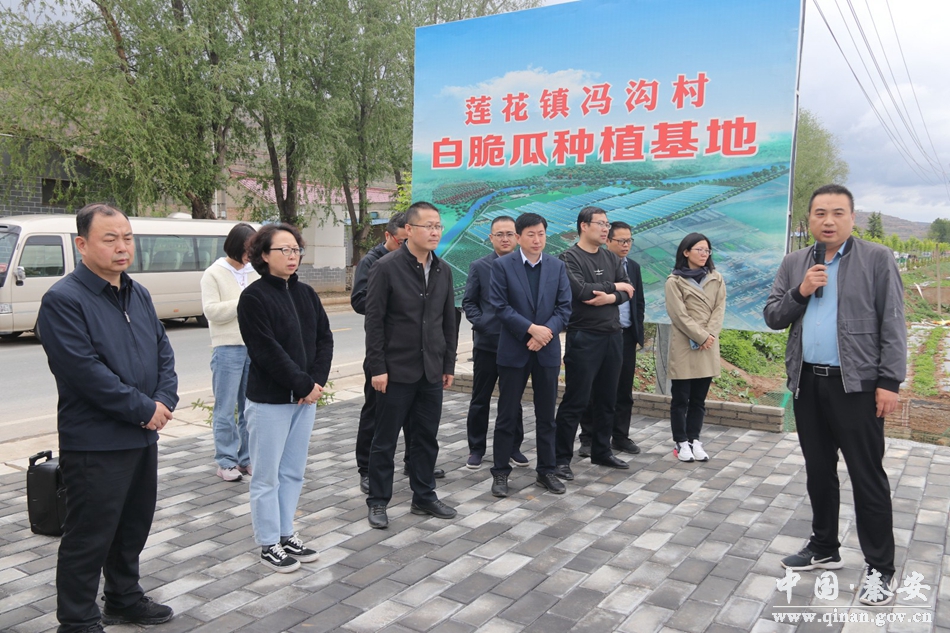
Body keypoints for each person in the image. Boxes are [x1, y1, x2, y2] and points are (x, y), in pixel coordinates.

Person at [37, 203, 178, 633]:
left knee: (132, 527)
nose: (122, 247)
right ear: (82, 245)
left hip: (142, 437)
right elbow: (84, 373)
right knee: (89, 535)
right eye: (110, 239)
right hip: (95, 442)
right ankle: (77, 621)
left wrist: (163, 399)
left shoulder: (138, 292)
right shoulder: (64, 300)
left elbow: (163, 352)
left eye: (128, 238)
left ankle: (123, 598)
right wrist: (144, 409)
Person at [763, 184, 905, 606]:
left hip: (857, 386)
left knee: (867, 475)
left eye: (838, 213)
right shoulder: (795, 263)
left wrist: (889, 381)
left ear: (852, 218)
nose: (828, 221)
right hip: (808, 383)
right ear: (809, 219)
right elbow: (773, 315)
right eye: (820, 213)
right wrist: (801, 291)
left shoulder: (876, 258)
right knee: (818, 470)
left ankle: (880, 568)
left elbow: (893, 321)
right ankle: (824, 546)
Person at [237, 223, 333, 572]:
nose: (293, 256)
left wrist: (315, 382)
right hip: (270, 402)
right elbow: (266, 351)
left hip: (304, 400)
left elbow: (324, 339)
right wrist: (302, 384)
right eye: (284, 250)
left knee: (293, 472)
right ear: (264, 255)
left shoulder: (306, 293)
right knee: (266, 476)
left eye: (296, 250)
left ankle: (286, 532)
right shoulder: (254, 297)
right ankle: (268, 542)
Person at [364, 201, 458, 529]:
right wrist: (378, 367)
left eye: (438, 226)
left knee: (426, 438)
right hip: (394, 371)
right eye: (428, 226)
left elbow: (448, 322)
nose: (435, 232)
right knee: (385, 440)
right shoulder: (386, 267)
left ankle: (424, 496)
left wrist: (448, 364)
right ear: (409, 230)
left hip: (431, 370)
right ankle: (378, 501)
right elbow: (374, 322)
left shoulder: (443, 270)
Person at [351, 213, 443, 494]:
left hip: (421, 360)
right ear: (392, 236)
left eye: (437, 227)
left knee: (420, 422)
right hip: (387, 357)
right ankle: (367, 470)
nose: (404, 245)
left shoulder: (437, 267)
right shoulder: (377, 264)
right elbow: (364, 306)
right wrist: (395, 300)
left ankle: (415, 466)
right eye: (401, 241)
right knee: (377, 419)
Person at [487, 213, 572, 497]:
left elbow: (564, 308)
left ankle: (546, 471)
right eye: (531, 234)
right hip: (514, 350)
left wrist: (545, 333)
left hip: (547, 351)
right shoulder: (502, 266)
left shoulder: (557, 266)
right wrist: (531, 330)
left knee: (547, 416)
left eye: (541, 234)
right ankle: (500, 473)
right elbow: (500, 306)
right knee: (507, 414)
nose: (537, 240)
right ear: (519, 237)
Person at [553, 206, 636, 480]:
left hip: (613, 336)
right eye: (600, 223)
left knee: (607, 399)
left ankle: (602, 450)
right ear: (583, 226)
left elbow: (629, 289)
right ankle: (560, 459)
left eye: (607, 224)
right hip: (584, 337)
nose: (605, 229)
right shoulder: (569, 258)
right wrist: (615, 288)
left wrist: (610, 296)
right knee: (576, 400)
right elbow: (582, 291)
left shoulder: (610, 257)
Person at [462, 215, 527, 470]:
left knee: (513, 399)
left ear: (517, 237)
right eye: (499, 234)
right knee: (480, 398)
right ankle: (476, 448)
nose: (505, 238)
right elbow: (469, 302)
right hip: (487, 345)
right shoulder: (480, 266)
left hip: (517, 345)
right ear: (491, 238)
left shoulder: (526, 266)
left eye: (509, 234)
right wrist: (483, 324)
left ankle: (513, 447)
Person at [578, 221, 646, 457]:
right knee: (592, 389)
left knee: (623, 390)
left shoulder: (633, 267)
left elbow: (638, 302)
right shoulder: (601, 265)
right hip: (599, 334)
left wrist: (637, 332)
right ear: (608, 241)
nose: (626, 245)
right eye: (621, 241)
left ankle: (620, 436)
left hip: (625, 336)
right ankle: (588, 438)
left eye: (629, 241)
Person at [200, 222, 259, 482]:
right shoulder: (214, 273)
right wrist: (243, 302)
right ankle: (225, 461)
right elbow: (211, 311)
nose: (250, 255)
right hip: (227, 348)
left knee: (250, 407)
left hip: (253, 347)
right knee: (225, 409)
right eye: (247, 249)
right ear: (235, 246)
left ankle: (247, 459)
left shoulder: (255, 271)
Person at [664, 232, 726, 462]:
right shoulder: (674, 281)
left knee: (699, 399)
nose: (704, 254)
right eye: (699, 249)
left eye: (707, 250)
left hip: (708, 344)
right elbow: (678, 315)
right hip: (685, 344)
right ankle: (680, 442)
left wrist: (709, 335)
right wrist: (701, 336)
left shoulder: (716, 278)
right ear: (686, 252)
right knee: (681, 398)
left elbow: (719, 309)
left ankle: (694, 439)